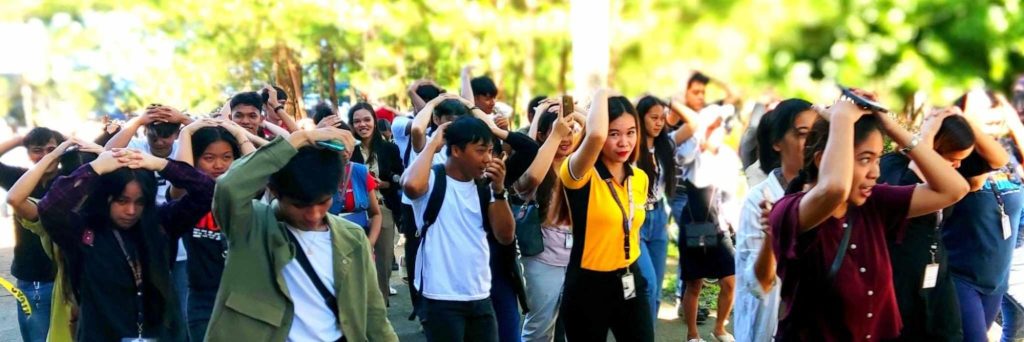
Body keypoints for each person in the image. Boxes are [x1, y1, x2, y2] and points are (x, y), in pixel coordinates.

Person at [767, 93, 970, 341]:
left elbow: (954, 189)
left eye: (877, 159)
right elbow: (834, 189)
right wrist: (842, 118)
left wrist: (892, 127)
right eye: (865, 159)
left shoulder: (874, 204)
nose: (875, 172)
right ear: (821, 160)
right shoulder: (789, 211)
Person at [205, 127, 398, 341]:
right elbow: (228, 188)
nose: (314, 215)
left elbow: (374, 314)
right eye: (300, 206)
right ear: (275, 192)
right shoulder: (251, 226)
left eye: (323, 202)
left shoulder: (352, 237)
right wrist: (299, 138)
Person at [37, 146, 214, 341]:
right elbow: (49, 209)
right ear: (106, 197)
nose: (131, 210)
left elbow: (208, 191)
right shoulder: (84, 231)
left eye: (139, 202)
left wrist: (161, 165)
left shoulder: (160, 224)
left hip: (161, 333)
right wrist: (95, 168)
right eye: (122, 201)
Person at [877, 105, 1010, 341]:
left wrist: (964, 119)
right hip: (901, 272)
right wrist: (927, 133)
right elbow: (907, 187)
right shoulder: (892, 165)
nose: (957, 166)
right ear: (934, 150)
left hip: (938, 269)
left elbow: (998, 159)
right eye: (952, 159)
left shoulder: (950, 167)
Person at [401, 116, 516, 341]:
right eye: (480, 151)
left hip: (480, 293)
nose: (487, 159)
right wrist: (433, 143)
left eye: (491, 151)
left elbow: (505, 236)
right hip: (440, 296)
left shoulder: (487, 186)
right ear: (456, 150)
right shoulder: (432, 178)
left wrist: (500, 190)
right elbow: (411, 186)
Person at [557, 89, 653, 341]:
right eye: (615, 134)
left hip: (630, 278)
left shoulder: (639, 178)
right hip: (588, 287)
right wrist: (602, 91)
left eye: (630, 132)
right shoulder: (579, 172)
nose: (624, 142)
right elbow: (596, 134)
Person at [734, 99, 817, 342]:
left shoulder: (824, 195)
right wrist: (773, 232)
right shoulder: (758, 200)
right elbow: (759, 285)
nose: (813, 143)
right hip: (769, 328)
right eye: (803, 134)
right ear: (777, 143)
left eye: (818, 134)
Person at [944, 90, 1024, 341]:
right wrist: (968, 126)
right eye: (984, 107)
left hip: (996, 279)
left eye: (995, 105)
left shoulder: (1009, 156)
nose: (993, 112)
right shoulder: (958, 155)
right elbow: (976, 180)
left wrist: (1010, 118)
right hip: (961, 278)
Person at [5, 137, 103, 342]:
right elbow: (15, 199)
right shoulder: (55, 217)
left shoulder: (116, 216)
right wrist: (52, 154)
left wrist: (103, 152)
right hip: (50, 291)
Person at [104, 104, 193, 328]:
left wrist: (184, 120)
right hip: (142, 236)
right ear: (146, 133)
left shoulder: (183, 147)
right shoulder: (137, 146)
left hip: (179, 240)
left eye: (167, 136)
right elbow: (107, 151)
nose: (160, 142)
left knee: (181, 309)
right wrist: (138, 121)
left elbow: (189, 172)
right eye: (155, 136)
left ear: (176, 134)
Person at [170, 118, 255, 341]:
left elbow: (258, 169)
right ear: (196, 161)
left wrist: (239, 134)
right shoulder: (188, 198)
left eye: (227, 157)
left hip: (247, 295)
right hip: (203, 298)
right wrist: (187, 132)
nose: (219, 165)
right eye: (209, 158)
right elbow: (181, 176)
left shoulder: (243, 192)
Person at [513, 100, 581, 342]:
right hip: (543, 259)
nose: (566, 137)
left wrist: (575, 113)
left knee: (577, 325)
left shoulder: (579, 165)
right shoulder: (537, 166)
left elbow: (596, 137)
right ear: (544, 135)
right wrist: (545, 118)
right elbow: (529, 179)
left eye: (571, 131)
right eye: (558, 132)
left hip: (579, 259)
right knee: (540, 328)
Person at [676, 98, 742, 342]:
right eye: (711, 126)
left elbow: (730, 196)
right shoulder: (690, 151)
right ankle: (692, 335)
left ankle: (719, 328)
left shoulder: (727, 157)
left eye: (719, 126)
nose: (716, 130)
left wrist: (734, 225)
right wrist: (699, 134)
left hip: (719, 226)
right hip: (694, 223)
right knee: (694, 282)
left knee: (731, 279)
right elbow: (681, 156)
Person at [0, 128, 64, 342]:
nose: (46, 155)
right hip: (34, 276)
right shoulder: (19, 179)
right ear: (27, 153)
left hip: (68, 278)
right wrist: (19, 139)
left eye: (52, 150)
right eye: (38, 150)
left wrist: (68, 146)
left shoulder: (71, 179)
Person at [634, 95, 692, 325]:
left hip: (658, 216)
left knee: (655, 287)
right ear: (640, 118)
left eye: (662, 118)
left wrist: (669, 100)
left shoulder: (665, 144)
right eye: (653, 117)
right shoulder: (629, 145)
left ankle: (649, 332)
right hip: (635, 217)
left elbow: (693, 124)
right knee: (646, 283)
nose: (659, 123)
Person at [347, 102, 406, 305]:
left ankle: (381, 307)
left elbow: (400, 178)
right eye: (357, 121)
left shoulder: (389, 149)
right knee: (355, 263)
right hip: (352, 212)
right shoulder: (348, 149)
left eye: (366, 119)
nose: (362, 124)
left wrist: (384, 183)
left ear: (374, 121)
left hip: (383, 208)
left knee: (383, 263)